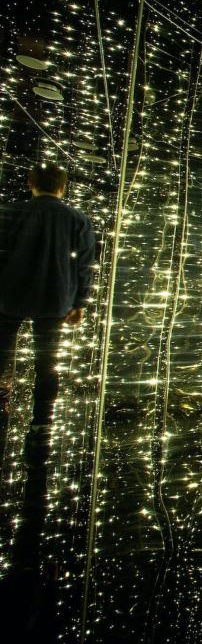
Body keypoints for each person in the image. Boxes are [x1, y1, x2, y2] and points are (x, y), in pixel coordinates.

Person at [0, 163, 96, 572]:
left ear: (31, 185)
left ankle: (3, 403)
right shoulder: (77, 219)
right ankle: (42, 421)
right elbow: (85, 263)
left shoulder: (11, 212)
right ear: (63, 186)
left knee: (2, 354)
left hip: (9, 294)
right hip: (55, 297)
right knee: (47, 362)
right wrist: (80, 301)